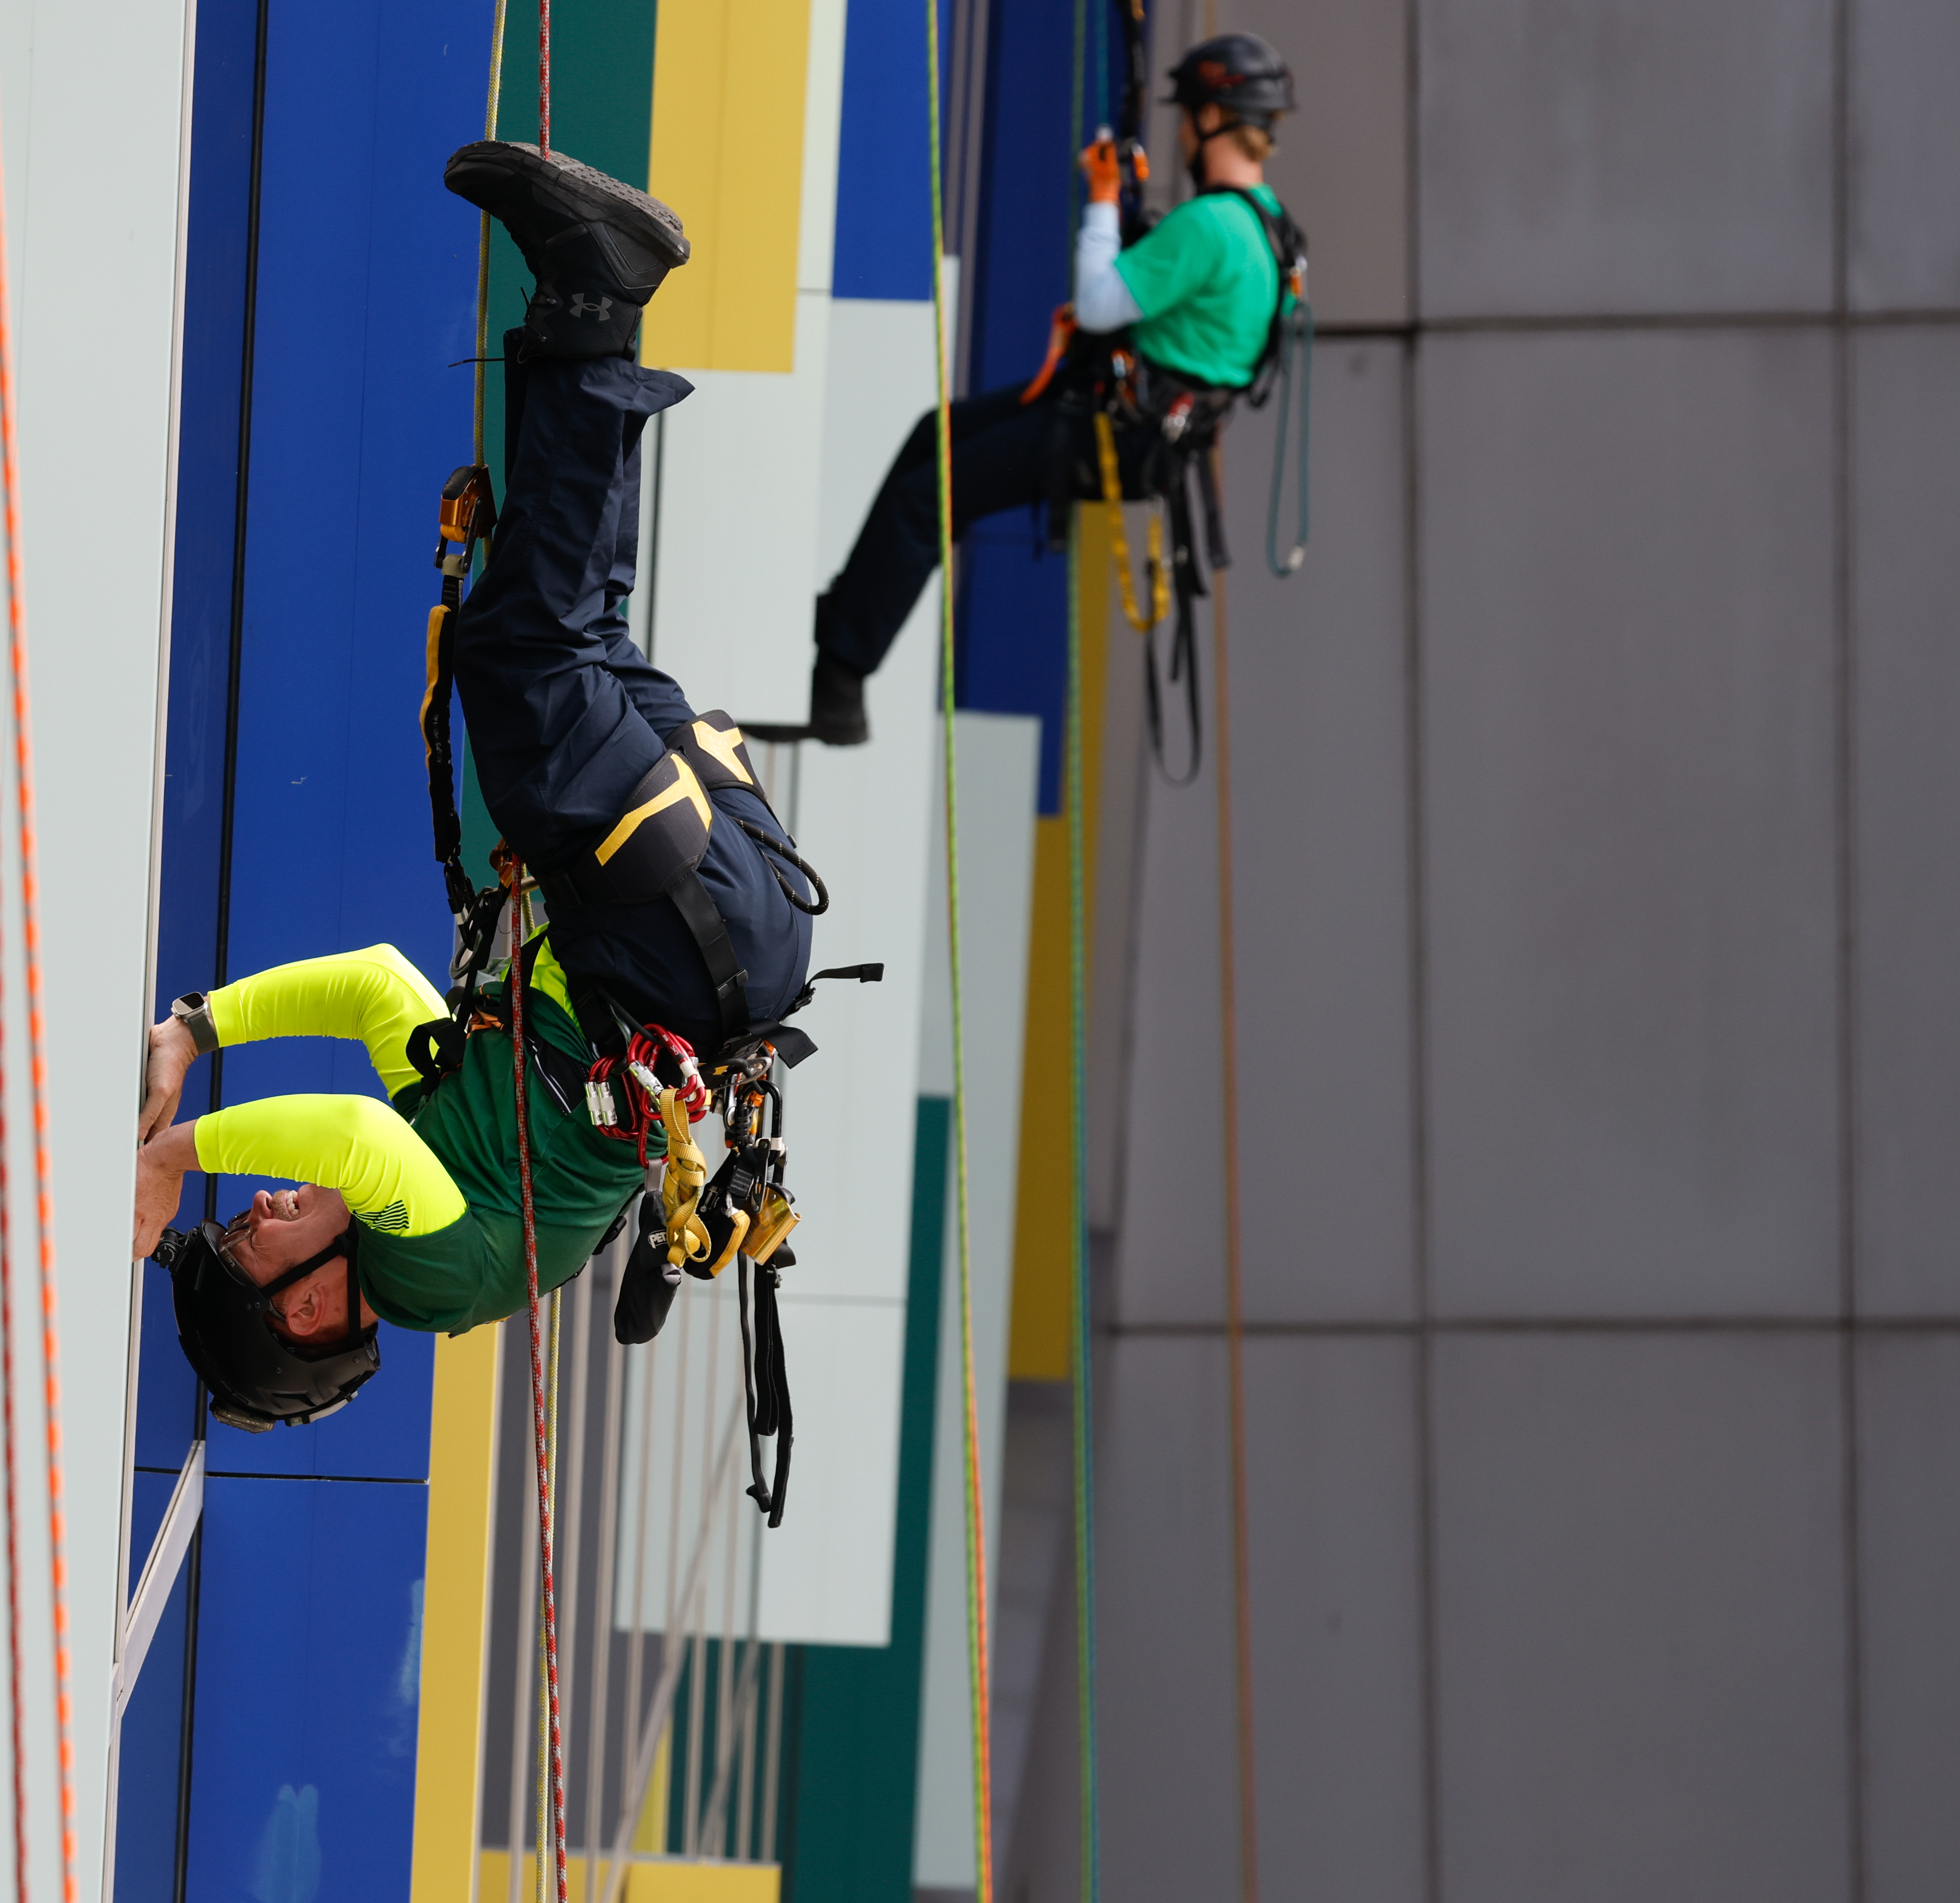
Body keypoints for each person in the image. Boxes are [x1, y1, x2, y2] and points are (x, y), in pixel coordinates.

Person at [131, 141, 822, 1430]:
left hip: (693, 929)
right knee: (522, 659)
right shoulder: (432, 1270)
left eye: (231, 1216)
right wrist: (173, 1152)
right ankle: (596, 285)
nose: (253, 1209)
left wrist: (197, 1025)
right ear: (309, 1309)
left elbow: (383, 989)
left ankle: (593, 298)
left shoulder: (439, 1147)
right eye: (247, 1243)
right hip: (675, 948)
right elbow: (347, 1135)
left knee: (570, 632)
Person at [799, 31, 1299, 745]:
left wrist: (1100, 199)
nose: (1184, 129)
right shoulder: (1270, 227)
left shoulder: (1210, 226)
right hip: (1139, 427)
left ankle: (839, 685)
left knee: (927, 495)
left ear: (1210, 119)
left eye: (1188, 115)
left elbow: (1097, 304)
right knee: (933, 433)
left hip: (1112, 430)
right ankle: (843, 620)